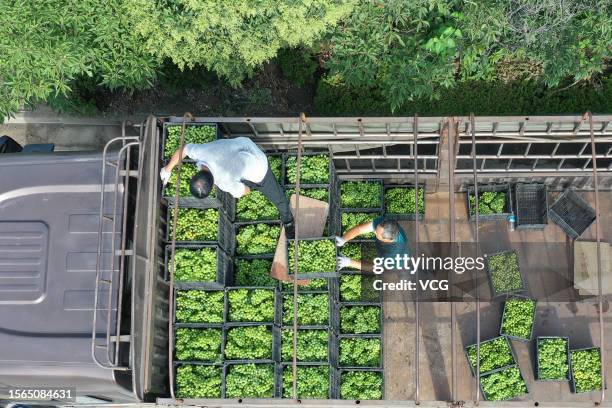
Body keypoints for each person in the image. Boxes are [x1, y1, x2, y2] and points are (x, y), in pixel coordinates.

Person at [160, 137, 295, 238]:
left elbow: (245, 191)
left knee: (277, 197)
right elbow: (184, 149)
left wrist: (250, 187)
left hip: (259, 166)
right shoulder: (201, 152)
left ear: (213, 186)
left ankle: (288, 221)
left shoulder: (225, 181)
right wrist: (167, 169)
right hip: (244, 144)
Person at [335, 216, 409, 270]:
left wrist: (349, 262)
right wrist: (344, 239)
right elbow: (360, 229)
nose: (374, 231)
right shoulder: (386, 224)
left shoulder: (392, 257)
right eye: (376, 229)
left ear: (386, 240)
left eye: (376, 233)